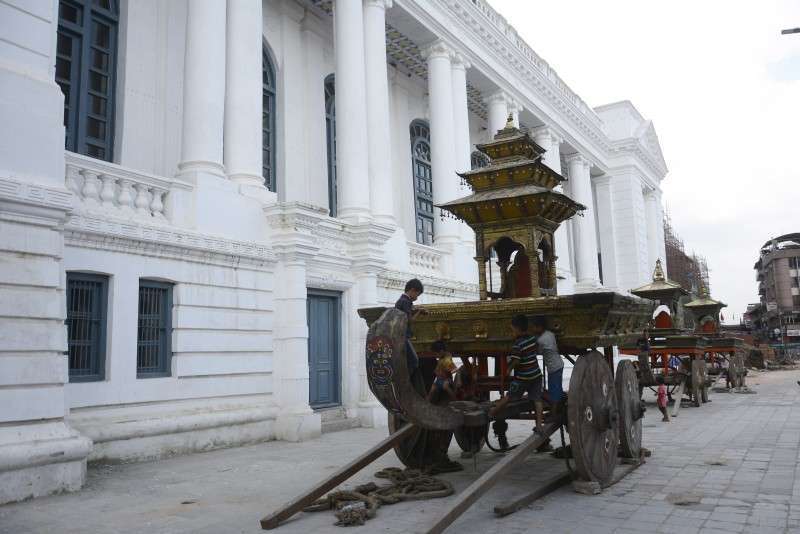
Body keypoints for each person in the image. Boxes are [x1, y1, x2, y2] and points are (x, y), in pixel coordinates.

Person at [489, 314, 544, 435]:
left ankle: (492, 412)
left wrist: (509, 369)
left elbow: (517, 360)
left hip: (522, 378)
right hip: (536, 375)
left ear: (518, 329)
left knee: (509, 396)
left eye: (512, 330)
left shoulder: (517, 345)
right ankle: (539, 425)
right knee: (537, 400)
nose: (512, 332)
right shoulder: (532, 339)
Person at [530, 316, 563, 413]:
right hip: (558, 364)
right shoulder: (550, 334)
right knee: (556, 388)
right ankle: (558, 407)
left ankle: (554, 413)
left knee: (553, 390)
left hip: (553, 367)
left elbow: (538, 351)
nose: (533, 329)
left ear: (539, 327)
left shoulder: (541, 340)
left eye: (534, 327)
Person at [395, 279, 427, 372]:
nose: (417, 298)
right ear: (412, 290)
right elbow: (410, 320)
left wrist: (416, 310)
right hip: (403, 336)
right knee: (414, 361)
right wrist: (419, 312)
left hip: (399, 335)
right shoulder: (406, 302)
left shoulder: (401, 300)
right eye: (417, 294)